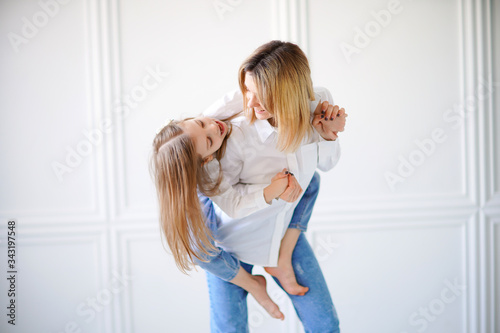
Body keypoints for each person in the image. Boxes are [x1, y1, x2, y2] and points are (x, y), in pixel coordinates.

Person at [200, 40, 346, 332]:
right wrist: (271, 192)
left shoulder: (318, 104)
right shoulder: (240, 131)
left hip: (279, 234)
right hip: (232, 240)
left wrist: (329, 136)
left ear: (288, 93)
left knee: (325, 324)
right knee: (228, 328)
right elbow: (225, 197)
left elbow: (325, 166)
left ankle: (279, 259)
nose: (250, 103)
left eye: (260, 95)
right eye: (247, 91)